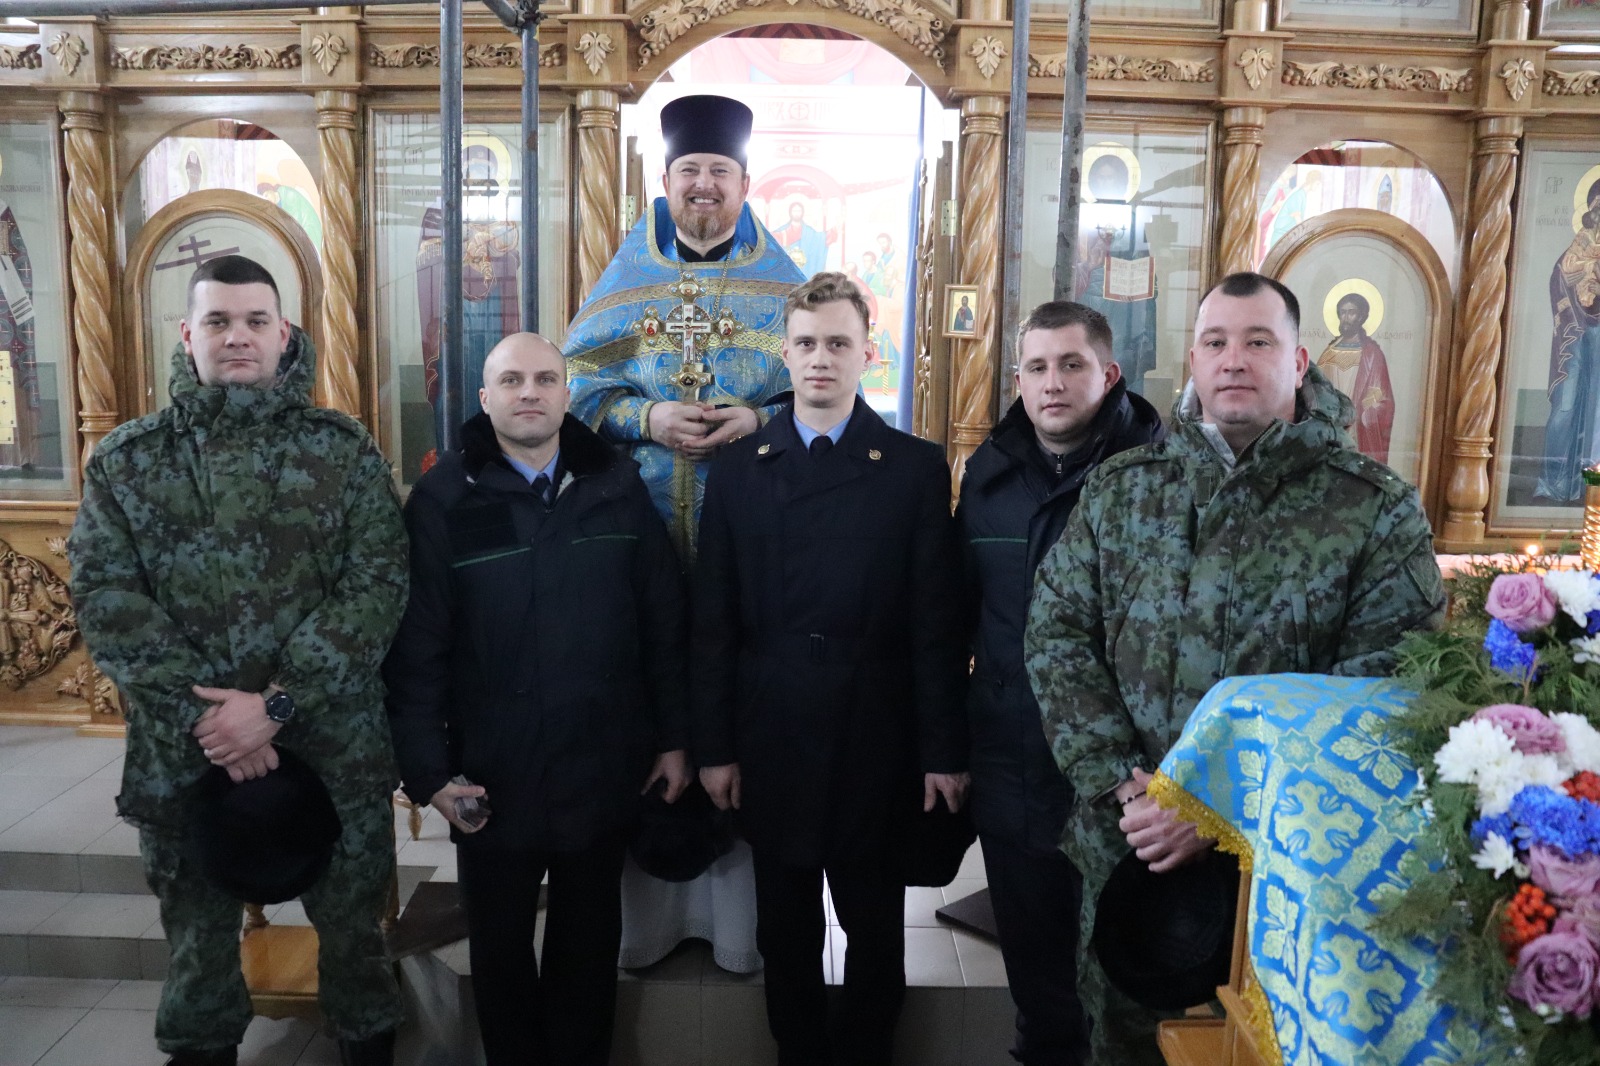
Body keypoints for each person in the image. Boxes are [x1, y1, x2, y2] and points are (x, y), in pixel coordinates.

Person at [1024, 272, 1445, 1066]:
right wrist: (1126, 785)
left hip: (1290, 867)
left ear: (1300, 361)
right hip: (1133, 844)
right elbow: (1058, 636)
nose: (1234, 360)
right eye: (1216, 342)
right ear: (1193, 359)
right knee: (1126, 1047)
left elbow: (1385, 687)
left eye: (1259, 341)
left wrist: (1217, 806)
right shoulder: (1123, 490)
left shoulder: (1374, 507)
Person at [68, 255, 407, 1066]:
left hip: (332, 747)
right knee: (197, 951)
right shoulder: (128, 460)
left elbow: (378, 587)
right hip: (186, 754)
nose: (238, 337)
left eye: (255, 321)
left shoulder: (342, 451)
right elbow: (107, 600)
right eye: (218, 321)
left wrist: (276, 707)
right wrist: (213, 720)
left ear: (283, 333)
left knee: (355, 940)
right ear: (187, 334)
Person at [385, 333, 689, 1065]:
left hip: (601, 762)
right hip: (492, 773)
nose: (530, 392)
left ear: (566, 394)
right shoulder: (444, 498)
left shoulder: (615, 485)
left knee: (589, 951)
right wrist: (429, 774)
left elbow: (663, 623)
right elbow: (417, 649)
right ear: (484, 397)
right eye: (512, 380)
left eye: (546, 379)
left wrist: (675, 738)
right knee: (499, 954)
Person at [693, 272, 968, 1066]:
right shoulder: (741, 467)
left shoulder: (914, 467)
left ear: (866, 354)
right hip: (771, 725)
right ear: (784, 354)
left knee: (874, 924)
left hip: (874, 726)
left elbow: (936, 622)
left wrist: (942, 750)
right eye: (807, 343)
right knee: (784, 927)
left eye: (838, 343)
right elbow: (713, 622)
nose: (821, 358)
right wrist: (715, 746)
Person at [564, 92, 805, 975]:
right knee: (648, 704)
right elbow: (576, 392)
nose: (705, 186)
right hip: (641, 542)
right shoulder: (625, 285)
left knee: (744, 710)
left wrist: (757, 418)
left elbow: (823, 389)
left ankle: (741, 929)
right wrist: (648, 416)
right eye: (690, 172)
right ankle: (648, 922)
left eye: (720, 172)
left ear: (745, 182)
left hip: (754, 544)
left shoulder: (787, 289)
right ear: (665, 182)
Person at [957, 301, 1164, 1066]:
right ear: (1018, 379)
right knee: (1038, 982)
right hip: (1013, 762)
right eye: (1037, 367)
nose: (1053, 383)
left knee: (1127, 984)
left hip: (1129, 782)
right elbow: (956, 617)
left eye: (1072, 365)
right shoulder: (989, 475)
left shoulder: (1162, 475)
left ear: (1109, 374)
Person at [1538, 177, 1600, 502]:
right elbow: (1559, 283)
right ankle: (1554, 484)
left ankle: (1592, 488)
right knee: (1565, 408)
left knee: (1598, 412)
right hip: (1575, 335)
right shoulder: (1575, 251)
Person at [1316, 291, 1395, 464]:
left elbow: (1381, 396)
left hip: (1356, 427)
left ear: (1361, 317)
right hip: (1331, 422)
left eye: (1351, 312)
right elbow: (1316, 386)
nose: (1346, 317)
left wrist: (1360, 413)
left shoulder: (1372, 354)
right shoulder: (1329, 351)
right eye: (1342, 312)